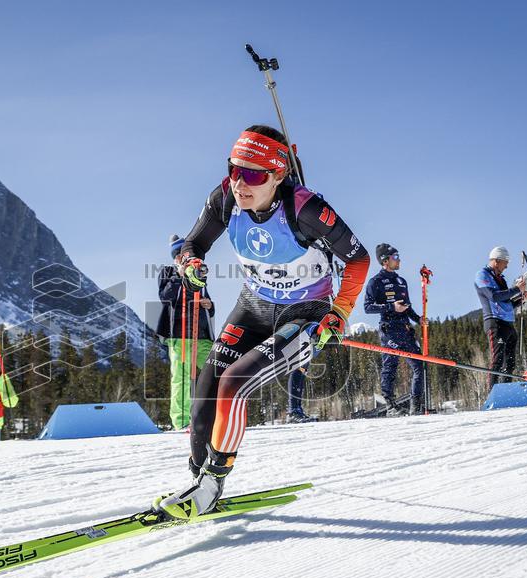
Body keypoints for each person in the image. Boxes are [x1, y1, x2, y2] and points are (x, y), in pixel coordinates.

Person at [154, 124, 369, 519]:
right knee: (207, 383)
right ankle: (199, 480)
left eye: (253, 174)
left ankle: (213, 482)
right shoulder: (224, 198)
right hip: (253, 305)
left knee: (235, 382)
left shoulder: (305, 210)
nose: (240, 183)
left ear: (278, 175)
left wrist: (339, 313)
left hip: (304, 313)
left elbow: (358, 258)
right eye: (234, 170)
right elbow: (192, 243)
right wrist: (191, 263)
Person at [156, 234, 215, 430]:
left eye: (185, 255)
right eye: (179, 256)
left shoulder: (199, 274)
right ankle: (182, 421)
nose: (183, 259)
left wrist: (209, 305)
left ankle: (213, 415)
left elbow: (207, 299)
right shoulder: (168, 272)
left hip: (201, 335)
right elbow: (165, 297)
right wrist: (180, 276)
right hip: (179, 334)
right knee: (181, 377)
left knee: (214, 371)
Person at [363, 243, 425, 415]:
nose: (398, 260)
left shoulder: (401, 281)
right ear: (385, 261)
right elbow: (367, 307)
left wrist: (418, 319)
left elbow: (408, 307)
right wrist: (391, 307)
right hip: (389, 330)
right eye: (395, 257)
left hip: (406, 330)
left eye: (398, 256)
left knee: (419, 366)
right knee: (391, 365)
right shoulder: (375, 282)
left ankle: (415, 406)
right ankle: (390, 405)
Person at [474, 246, 527, 390]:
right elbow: (494, 296)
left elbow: (506, 303)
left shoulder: (501, 279)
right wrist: (516, 289)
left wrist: (521, 299)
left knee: (510, 363)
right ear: (496, 261)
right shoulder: (482, 275)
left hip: (508, 324)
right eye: (505, 262)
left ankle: (505, 391)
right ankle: (493, 393)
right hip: (495, 322)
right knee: (497, 359)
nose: (507, 266)